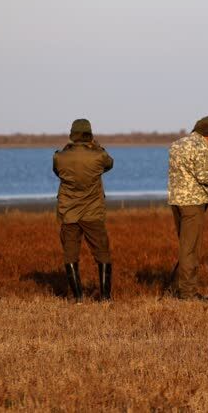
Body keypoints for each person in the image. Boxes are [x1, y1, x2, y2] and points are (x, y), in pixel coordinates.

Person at [53, 118, 114, 303]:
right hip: (93, 212)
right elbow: (109, 163)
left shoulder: (59, 157)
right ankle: (105, 298)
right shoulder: (98, 156)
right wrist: (96, 147)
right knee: (102, 252)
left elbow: (57, 171)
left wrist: (68, 149)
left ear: (72, 135)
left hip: (68, 212)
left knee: (70, 253)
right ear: (90, 135)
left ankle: (78, 298)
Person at [167, 115, 208, 301]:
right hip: (193, 203)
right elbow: (204, 176)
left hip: (176, 201)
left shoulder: (176, 144)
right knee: (190, 249)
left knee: (185, 246)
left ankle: (182, 288)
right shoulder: (202, 146)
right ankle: (188, 293)